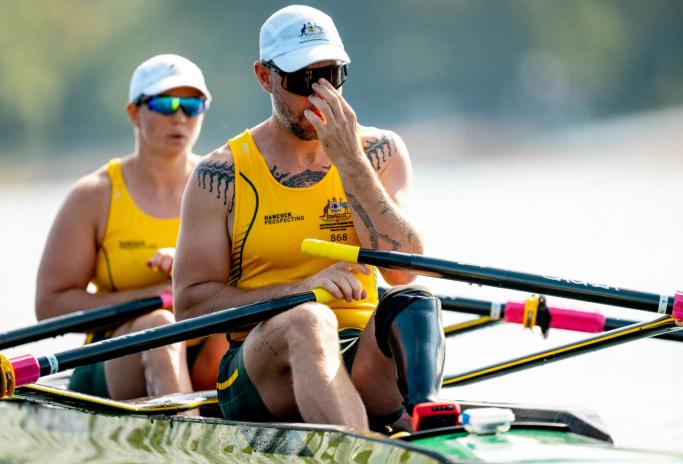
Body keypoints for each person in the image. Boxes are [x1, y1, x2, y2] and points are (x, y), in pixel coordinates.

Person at [174, 5, 446, 431]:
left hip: (358, 355)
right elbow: (189, 309)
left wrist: (351, 163)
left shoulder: (379, 153)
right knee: (308, 318)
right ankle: (364, 450)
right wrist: (299, 291)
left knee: (413, 302)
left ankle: (429, 420)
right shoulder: (220, 175)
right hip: (259, 368)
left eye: (332, 76)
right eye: (303, 80)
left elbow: (402, 271)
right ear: (265, 77)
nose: (321, 95)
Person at [35, 54, 227, 402]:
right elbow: (50, 305)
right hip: (115, 358)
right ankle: (183, 447)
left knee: (245, 332)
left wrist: (184, 270)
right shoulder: (94, 196)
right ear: (133, 113)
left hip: (205, 350)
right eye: (165, 103)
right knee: (159, 326)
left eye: (192, 104)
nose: (180, 116)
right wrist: (150, 295)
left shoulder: (222, 185)